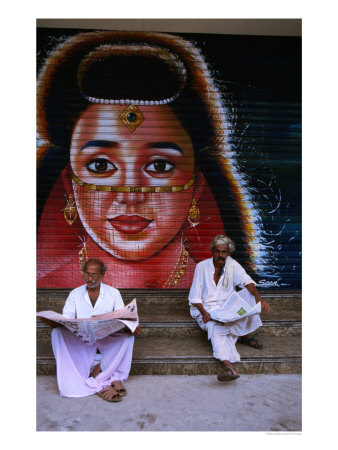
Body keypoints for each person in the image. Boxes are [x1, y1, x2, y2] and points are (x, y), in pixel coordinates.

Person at [37, 30, 267, 289]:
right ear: (69, 183)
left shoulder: (220, 289)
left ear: (197, 184)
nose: (131, 194)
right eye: (101, 165)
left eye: (159, 165)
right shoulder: (45, 291)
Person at [49, 258, 140, 401]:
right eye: (86, 274)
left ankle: (99, 371)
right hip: (82, 340)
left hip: (107, 339)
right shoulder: (75, 293)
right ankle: (97, 374)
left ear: (102, 275)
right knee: (57, 333)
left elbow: (122, 317)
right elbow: (67, 318)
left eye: (94, 275)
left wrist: (130, 326)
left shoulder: (113, 293)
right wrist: (56, 322)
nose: (89, 278)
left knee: (128, 338)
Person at [189, 235, 270, 381]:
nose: (220, 255)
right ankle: (228, 367)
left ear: (229, 252)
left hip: (226, 308)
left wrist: (259, 300)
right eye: (217, 251)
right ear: (212, 251)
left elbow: (247, 282)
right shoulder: (201, 267)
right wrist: (204, 313)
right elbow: (195, 296)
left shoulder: (233, 265)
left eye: (224, 252)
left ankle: (244, 335)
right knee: (215, 328)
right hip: (205, 308)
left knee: (250, 295)